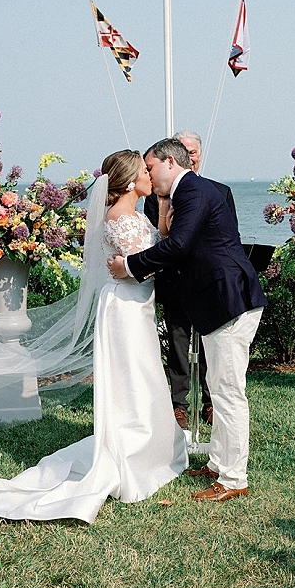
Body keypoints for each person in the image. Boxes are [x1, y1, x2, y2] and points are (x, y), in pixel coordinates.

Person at [0, 150, 188, 524]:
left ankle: (153, 444)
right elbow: (146, 266)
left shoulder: (136, 215)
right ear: (128, 182)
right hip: (124, 309)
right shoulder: (117, 220)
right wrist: (154, 256)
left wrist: (159, 219)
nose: (150, 173)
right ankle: (130, 451)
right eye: (145, 170)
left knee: (146, 376)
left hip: (137, 305)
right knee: (132, 377)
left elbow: (148, 254)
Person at [108, 138, 266, 503]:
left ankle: (233, 479)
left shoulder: (193, 191)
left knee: (228, 393)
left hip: (229, 300)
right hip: (218, 301)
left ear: (168, 162)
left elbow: (177, 247)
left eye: (149, 167)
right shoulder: (185, 193)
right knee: (221, 385)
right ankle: (217, 464)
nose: (147, 174)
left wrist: (128, 266)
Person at [144, 130, 238, 431]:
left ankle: (210, 402)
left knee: (213, 346)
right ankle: (178, 405)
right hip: (175, 284)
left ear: (198, 155)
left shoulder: (218, 192)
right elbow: (159, 242)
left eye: (193, 151)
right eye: (183, 149)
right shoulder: (157, 196)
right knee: (177, 345)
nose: (189, 156)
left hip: (207, 285)